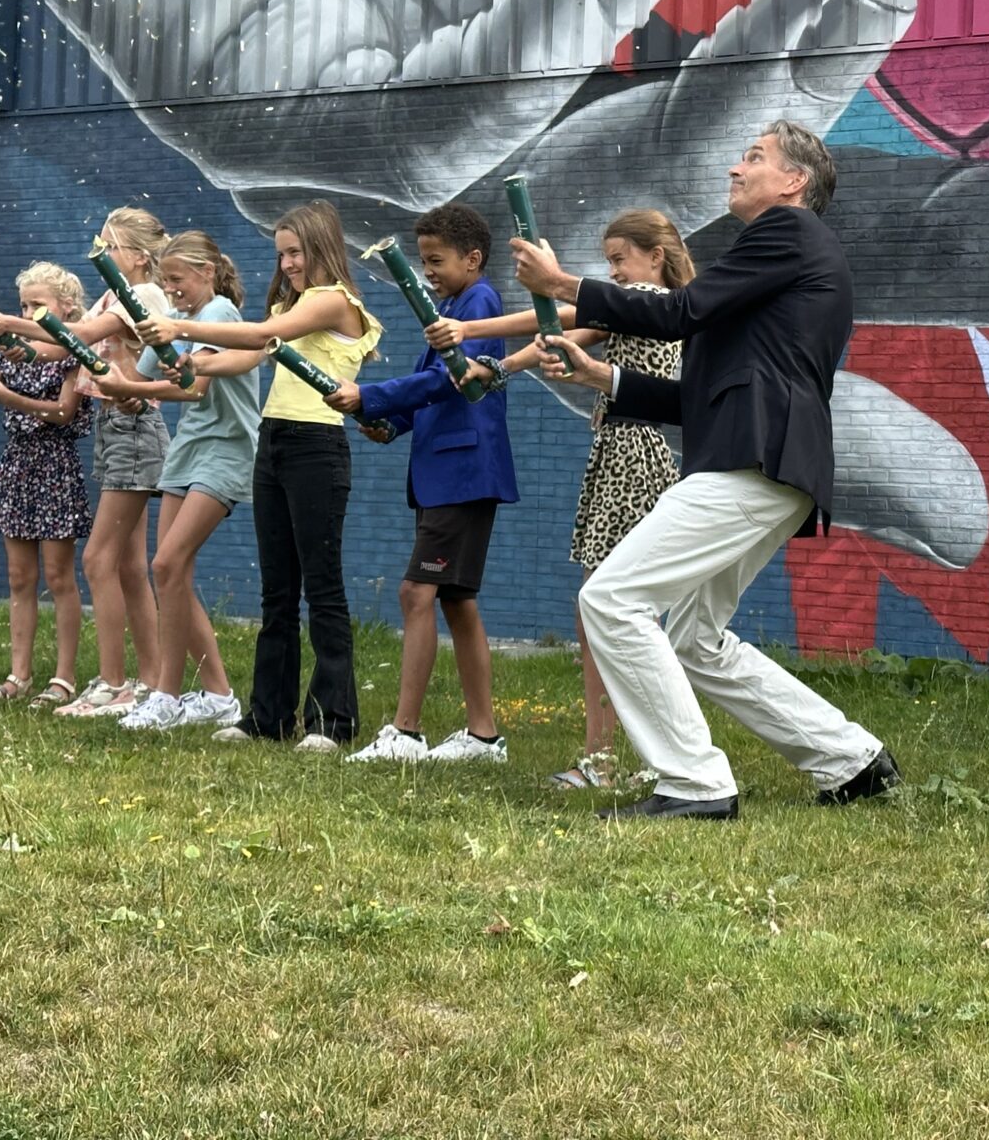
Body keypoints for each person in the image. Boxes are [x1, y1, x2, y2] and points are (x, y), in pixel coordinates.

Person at [513, 120, 901, 819]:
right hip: (765, 462)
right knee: (695, 638)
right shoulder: (779, 264)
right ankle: (852, 761)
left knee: (611, 599)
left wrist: (563, 280)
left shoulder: (789, 233)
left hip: (752, 464)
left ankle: (695, 784)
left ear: (794, 182)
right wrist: (600, 375)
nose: (734, 168)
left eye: (754, 157)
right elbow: (702, 398)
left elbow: (681, 311)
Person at [427, 209, 692, 789]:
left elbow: (569, 316)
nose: (614, 272)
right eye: (609, 262)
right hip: (622, 455)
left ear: (656, 258)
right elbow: (560, 339)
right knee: (611, 612)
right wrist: (498, 368)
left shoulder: (648, 299)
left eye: (620, 259)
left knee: (604, 612)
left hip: (631, 459)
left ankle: (606, 759)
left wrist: (475, 337)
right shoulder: (643, 308)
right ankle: (626, 752)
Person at [141, 200, 383, 753]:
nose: (289, 263)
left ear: (321, 247)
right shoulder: (288, 302)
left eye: (295, 252)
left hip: (316, 445)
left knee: (321, 587)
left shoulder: (332, 300)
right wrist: (195, 361)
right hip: (272, 441)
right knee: (277, 589)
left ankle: (332, 721)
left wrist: (179, 325)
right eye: (281, 254)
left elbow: (257, 337)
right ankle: (269, 715)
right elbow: (249, 357)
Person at [325, 202, 515, 764]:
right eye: (423, 260)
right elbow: (438, 388)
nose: (427, 270)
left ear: (472, 258)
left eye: (436, 260)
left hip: (462, 475)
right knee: (457, 601)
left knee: (416, 592)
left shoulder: (478, 305)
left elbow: (450, 382)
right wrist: (393, 423)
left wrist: (371, 395)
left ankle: (405, 733)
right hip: (446, 475)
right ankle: (484, 737)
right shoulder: (454, 305)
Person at [0, 206, 172, 719]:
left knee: (97, 561)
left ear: (140, 256)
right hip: (114, 427)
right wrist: (17, 347)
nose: (100, 253)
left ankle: (113, 681)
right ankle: (149, 682)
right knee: (127, 565)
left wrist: (10, 321)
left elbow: (76, 337)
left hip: (133, 427)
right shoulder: (111, 293)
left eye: (110, 245)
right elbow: (58, 349)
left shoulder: (143, 293)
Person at [96, 230, 261, 731]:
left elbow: (195, 387)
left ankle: (166, 693)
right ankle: (218, 695)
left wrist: (128, 387)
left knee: (167, 562)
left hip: (227, 447)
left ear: (207, 273)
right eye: (164, 282)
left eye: (177, 280)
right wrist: (126, 391)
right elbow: (146, 384)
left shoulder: (219, 315)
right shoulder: (177, 320)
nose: (170, 291)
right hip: (189, 448)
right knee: (170, 571)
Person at [0, 263, 94, 708]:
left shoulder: (73, 351)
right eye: (23, 306)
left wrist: (3, 397)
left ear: (66, 308)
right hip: (17, 464)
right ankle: (19, 675)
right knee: (19, 577)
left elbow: (62, 412)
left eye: (38, 305)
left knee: (57, 575)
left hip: (55, 465)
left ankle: (64, 678)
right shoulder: (11, 352)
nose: (28, 313)